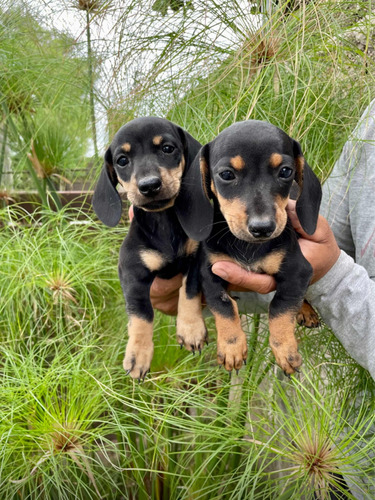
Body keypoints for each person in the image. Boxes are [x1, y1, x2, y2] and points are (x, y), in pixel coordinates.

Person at [149, 100, 375, 380]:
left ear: (299, 174)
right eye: (228, 175)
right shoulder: (370, 124)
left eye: (283, 173)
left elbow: (309, 267)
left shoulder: (284, 236)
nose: (261, 221)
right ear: (205, 180)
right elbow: (215, 279)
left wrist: (326, 279)